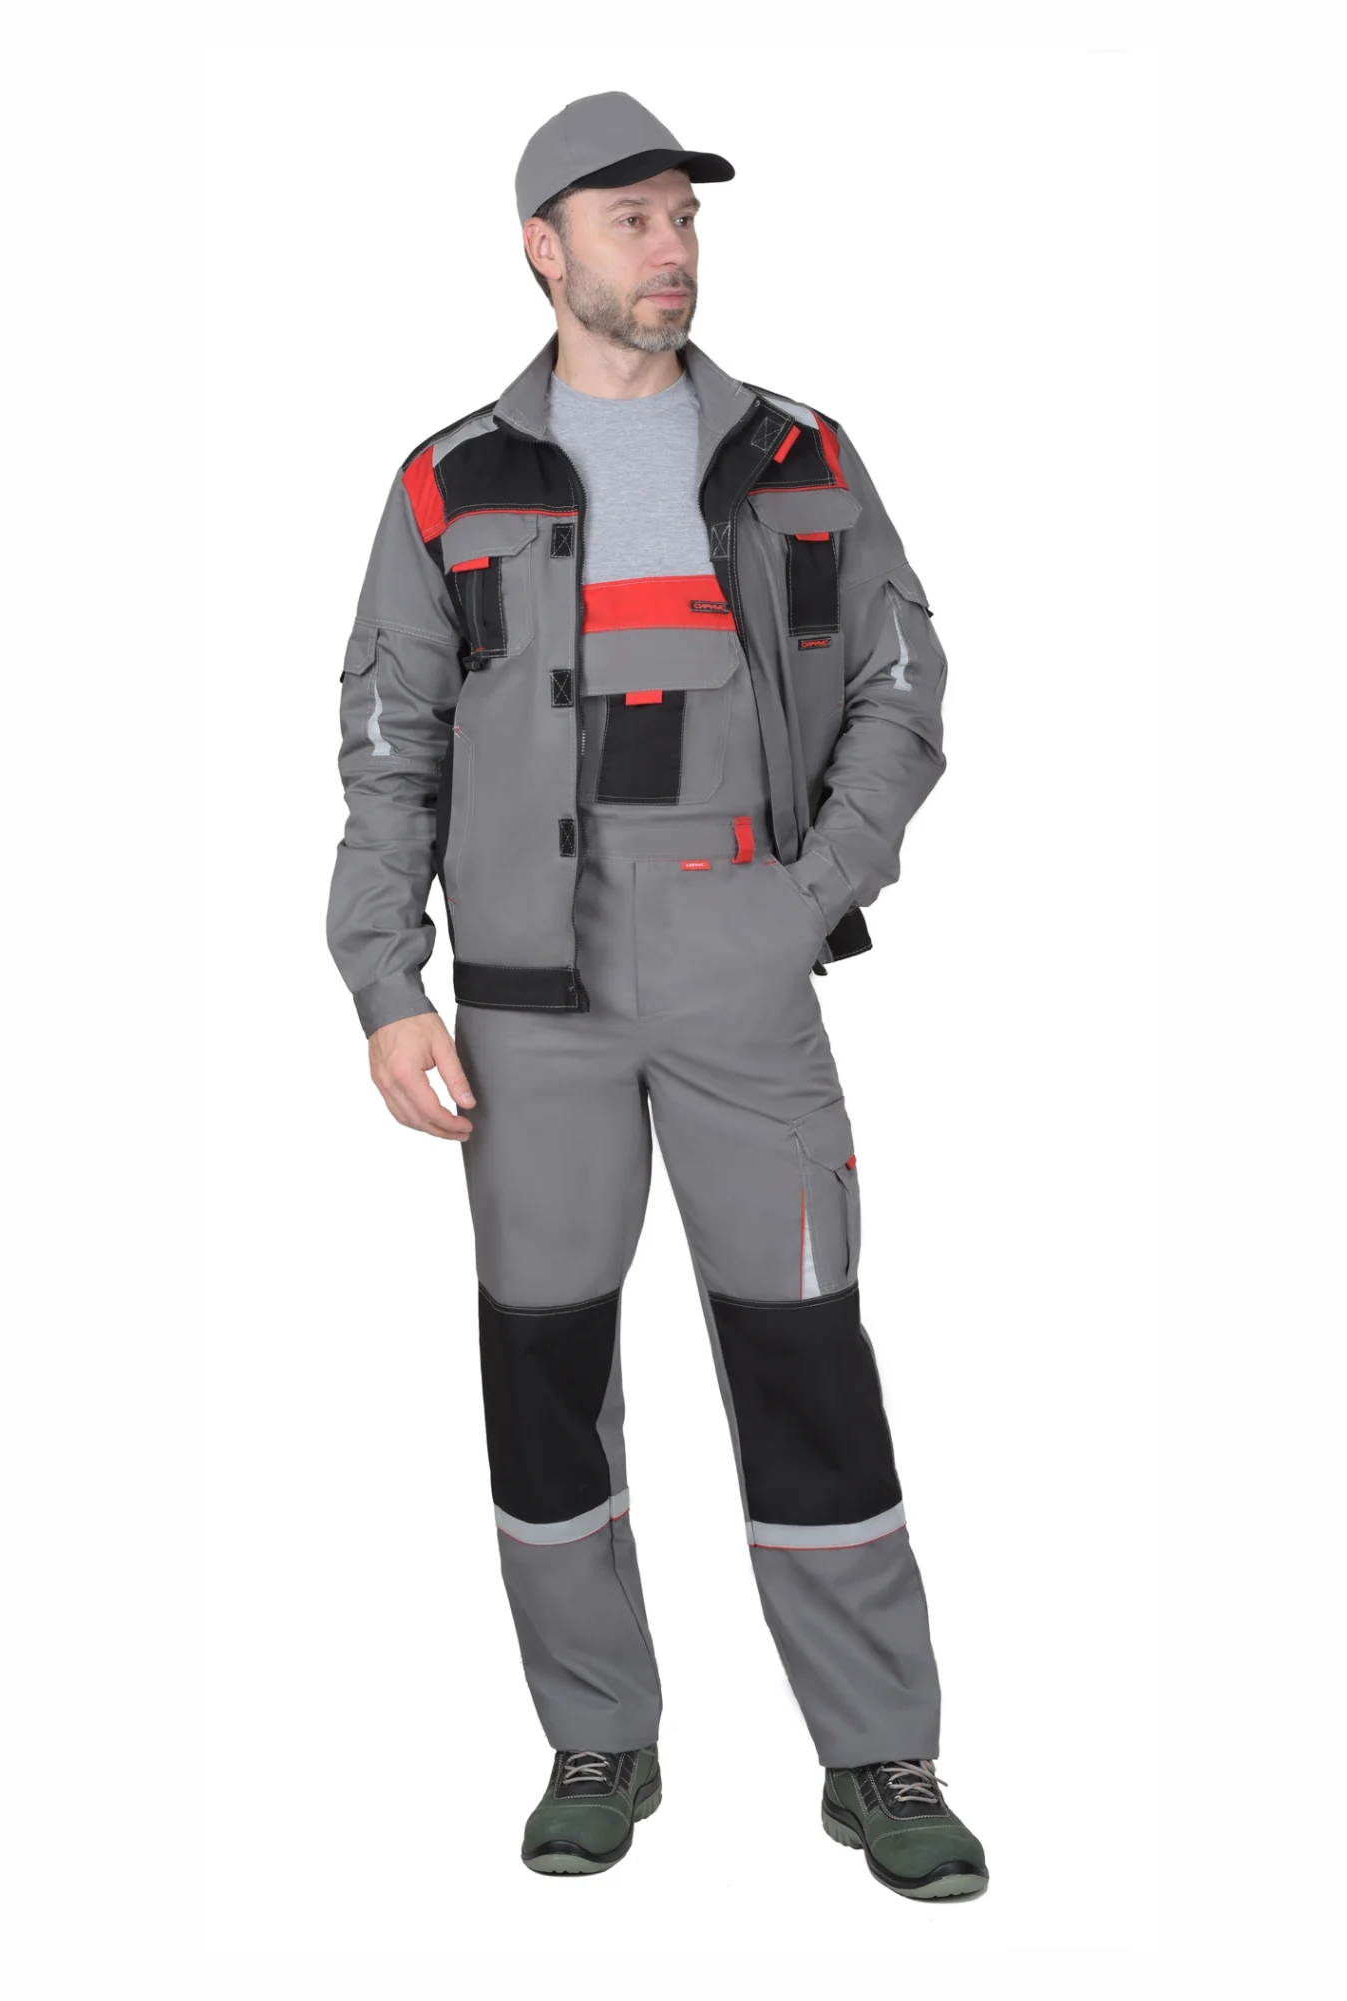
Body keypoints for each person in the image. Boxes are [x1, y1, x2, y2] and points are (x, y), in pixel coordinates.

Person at [326, 89, 986, 1903]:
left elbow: (903, 686)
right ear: (541, 249)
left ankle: (879, 1755)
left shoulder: (796, 456)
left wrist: (810, 897)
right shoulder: (450, 484)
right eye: (631, 220)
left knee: (802, 1349)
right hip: (525, 984)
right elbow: (387, 744)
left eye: (684, 217)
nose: (671, 247)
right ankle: (596, 1736)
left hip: (737, 954)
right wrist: (386, 982)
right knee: (544, 1364)